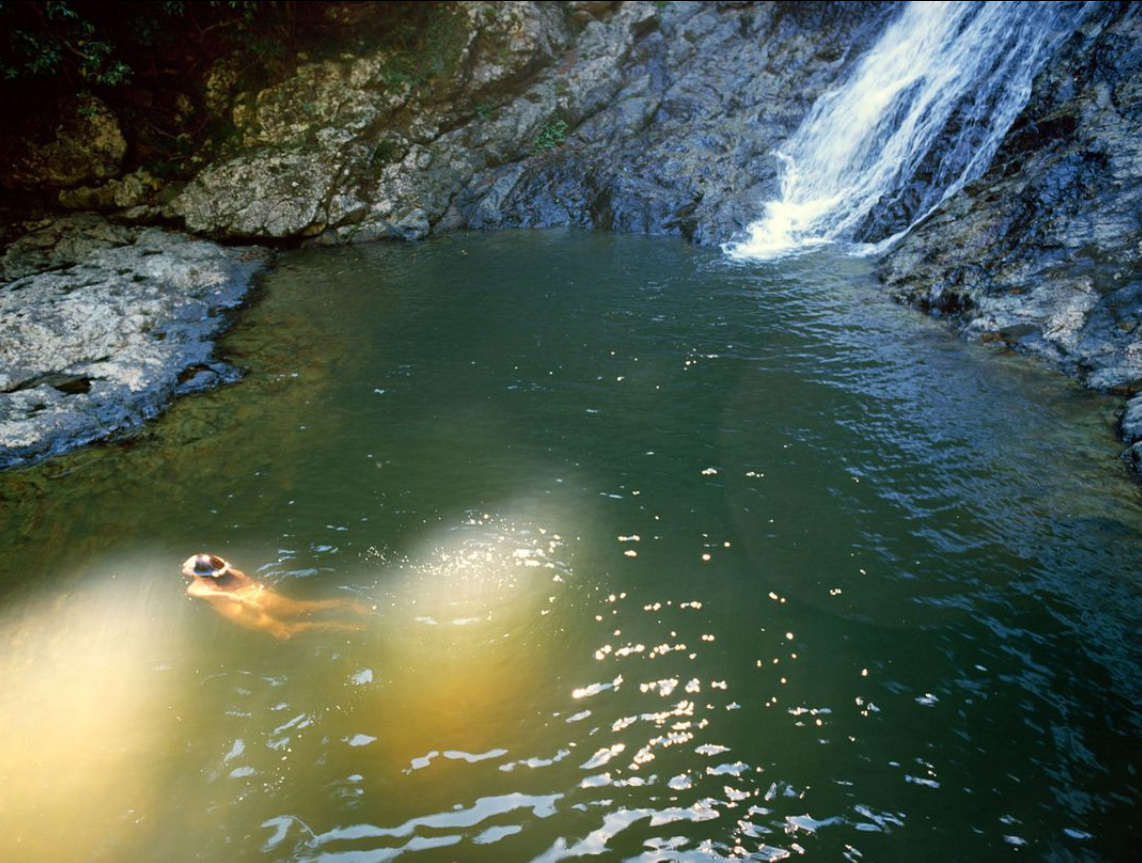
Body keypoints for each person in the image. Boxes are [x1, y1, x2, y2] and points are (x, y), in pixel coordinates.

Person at [181, 553, 370, 639]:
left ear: (200, 575)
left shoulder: (197, 589)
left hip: (242, 609)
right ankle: (347, 603)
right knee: (302, 607)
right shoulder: (235, 573)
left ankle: (344, 627)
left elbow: (231, 598)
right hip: (259, 595)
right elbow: (249, 584)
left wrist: (247, 604)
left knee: (284, 629)